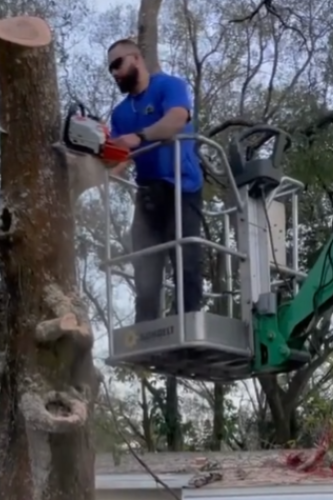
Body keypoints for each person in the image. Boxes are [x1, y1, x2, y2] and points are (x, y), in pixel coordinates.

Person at [107, 38, 204, 323]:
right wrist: (100, 173)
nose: (114, 73)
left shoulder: (169, 86)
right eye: (110, 68)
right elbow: (121, 156)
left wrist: (141, 136)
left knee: (185, 258)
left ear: (136, 58)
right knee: (144, 261)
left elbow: (176, 119)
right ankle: (145, 328)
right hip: (148, 191)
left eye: (118, 64)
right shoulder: (121, 113)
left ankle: (188, 322)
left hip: (182, 187)